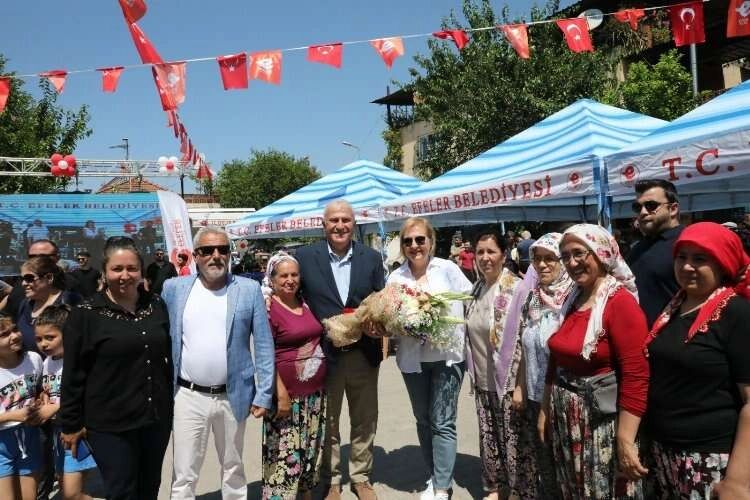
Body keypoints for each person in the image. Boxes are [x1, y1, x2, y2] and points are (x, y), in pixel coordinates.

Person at [162, 227, 274, 500]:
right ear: (195, 256)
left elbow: (263, 344)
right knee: (184, 471)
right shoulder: (174, 289)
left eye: (223, 250)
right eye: (207, 251)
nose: (216, 256)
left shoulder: (248, 290)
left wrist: (264, 392)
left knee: (233, 468)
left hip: (233, 395)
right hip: (187, 396)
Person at [538, 224, 649, 499]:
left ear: (601, 253)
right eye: (565, 256)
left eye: (579, 254)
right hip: (567, 418)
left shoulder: (619, 303)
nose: (572, 263)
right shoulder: (571, 298)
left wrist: (625, 439)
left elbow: (636, 375)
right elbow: (556, 358)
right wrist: (544, 409)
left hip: (600, 424)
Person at [59, 237, 173, 500]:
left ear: (141, 271)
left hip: (154, 417)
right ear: (104, 272)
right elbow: (73, 373)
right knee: (122, 490)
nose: (125, 275)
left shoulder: (155, 305)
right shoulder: (85, 314)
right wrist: (71, 423)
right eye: (117, 269)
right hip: (110, 423)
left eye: (132, 268)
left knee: (149, 486)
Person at [644, 222, 750, 498]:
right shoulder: (675, 305)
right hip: (663, 451)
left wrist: (737, 481)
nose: (687, 266)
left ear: (723, 263)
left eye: (700, 258)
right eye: (682, 257)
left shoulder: (737, 312)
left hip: (710, 459)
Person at [294, 200, 385, 500]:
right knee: (328, 421)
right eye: (333, 220)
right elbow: (292, 297)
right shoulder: (305, 257)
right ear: (323, 225)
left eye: (345, 220)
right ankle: (331, 480)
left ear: (354, 223)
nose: (340, 226)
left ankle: (361, 476)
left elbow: (381, 302)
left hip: (363, 353)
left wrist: (379, 326)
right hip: (324, 354)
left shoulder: (371, 258)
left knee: (364, 418)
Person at [387, 217, 472, 500]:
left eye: (420, 239)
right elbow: (389, 316)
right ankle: (434, 474)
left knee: (443, 421)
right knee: (423, 420)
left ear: (431, 242)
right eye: (408, 241)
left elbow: (470, 299)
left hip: (448, 357)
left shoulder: (447, 269)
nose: (414, 246)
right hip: (413, 361)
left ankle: (442, 487)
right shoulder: (396, 277)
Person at [464, 229, 531, 499]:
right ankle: (495, 486)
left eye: (491, 251)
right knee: (490, 436)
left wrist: (520, 385)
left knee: (513, 439)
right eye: (480, 252)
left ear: (504, 255)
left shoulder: (517, 288)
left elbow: (526, 339)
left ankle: (517, 490)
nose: (485, 257)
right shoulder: (476, 288)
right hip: (482, 379)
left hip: (509, 381)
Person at [262, 252, 327, 500]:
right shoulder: (268, 309)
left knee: (310, 453)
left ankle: (306, 494)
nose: (290, 280)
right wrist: (280, 393)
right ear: (273, 279)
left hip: (315, 396)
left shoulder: (306, 302)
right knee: (284, 457)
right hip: (287, 398)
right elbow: (266, 355)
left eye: (294, 274)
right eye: (283, 275)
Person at [515, 233, 573, 499]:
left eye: (550, 258)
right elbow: (525, 345)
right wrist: (520, 387)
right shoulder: (533, 298)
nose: (542, 265)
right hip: (536, 396)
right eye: (537, 259)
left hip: (564, 398)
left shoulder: (573, 300)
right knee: (545, 465)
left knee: (568, 466)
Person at [33, 305, 97, 500]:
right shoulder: (48, 361)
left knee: (71, 493)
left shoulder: (77, 360)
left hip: (77, 432)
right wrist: (42, 399)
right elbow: (50, 389)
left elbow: (87, 393)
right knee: (64, 486)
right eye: (39, 339)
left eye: (50, 337)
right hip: (57, 433)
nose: (43, 344)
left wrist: (54, 407)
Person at [628, 179, 684, 327]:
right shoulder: (637, 249)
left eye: (651, 205)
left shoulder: (688, 243)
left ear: (673, 209)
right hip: (638, 342)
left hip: (677, 343)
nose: (643, 212)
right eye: (637, 207)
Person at [0, 315, 43, 500]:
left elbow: (42, 389)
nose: (15, 336)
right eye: (4, 334)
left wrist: (41, 401)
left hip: (30, 435)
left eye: (15, 330)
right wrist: (13, 415)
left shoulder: (33, 359)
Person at [17, 256, 80, 352]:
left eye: (29, 278)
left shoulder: (71, 301)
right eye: (22, 279)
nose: (23, 283)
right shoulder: (24, 304)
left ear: (49, 278)